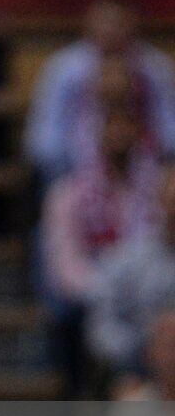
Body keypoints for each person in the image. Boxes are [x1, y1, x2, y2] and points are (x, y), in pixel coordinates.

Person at [40, 106, 163, 395]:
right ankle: (85, 403)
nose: (120, 134)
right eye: (112, 126)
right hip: (92, 297)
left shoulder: (158, 188)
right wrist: (107, 290)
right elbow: (65, 267)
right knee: (81, 322)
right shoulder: (68, 193)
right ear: (96, 136)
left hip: (145, 296)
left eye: (127, 125)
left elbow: (158, 249)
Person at [25, 0, 175, 183]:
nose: (110, 30)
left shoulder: (154, 68)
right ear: (88, 26)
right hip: (74, 170)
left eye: (116, 23)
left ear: (131, 24)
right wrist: (67, 179)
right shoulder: (64, 68)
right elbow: (44, 137)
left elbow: (169, 126)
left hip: (147, 171)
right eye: (104, 22)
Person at [88, 163, 175, 378]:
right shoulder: (125, 261)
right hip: (139, 372)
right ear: (160, 202)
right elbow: (100, 328)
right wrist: (143, 349)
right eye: (173, 202)